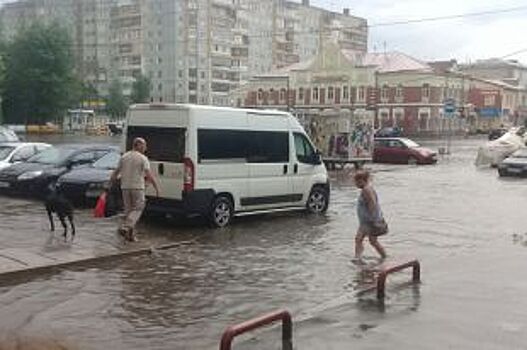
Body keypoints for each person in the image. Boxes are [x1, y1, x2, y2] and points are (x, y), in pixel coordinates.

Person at [110, 137, 160, 242]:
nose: (146, 148)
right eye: (144, 145)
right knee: (138, 208)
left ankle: (130, 236)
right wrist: (156, 187)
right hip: (137, 187)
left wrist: (110, 183)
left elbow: (116, 172)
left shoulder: (124, 156)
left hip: (125, 188)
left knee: (129, 211)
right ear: (138, 145)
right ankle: (126, 227)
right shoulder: (143, 158)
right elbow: (149, 174)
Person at [353, 169, 387, 263]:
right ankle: (384, 257)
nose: (355, 184)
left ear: (362, 180)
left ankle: (358, 258)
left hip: (368, 222)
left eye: (356, 181)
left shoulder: (366, 190)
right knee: (372, 241)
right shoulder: (368, 188)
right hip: (369, 221)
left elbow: (372, 203)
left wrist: (372, 219)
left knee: (359, 239)